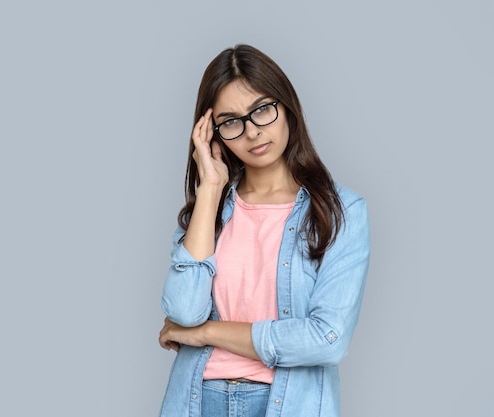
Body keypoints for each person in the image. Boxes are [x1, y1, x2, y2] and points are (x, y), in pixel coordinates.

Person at [158, 44, 370, 417]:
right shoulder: (208, 214)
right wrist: (209, 187)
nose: (252, 132)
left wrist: (205, 334)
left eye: (261, 110)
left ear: (287, 107)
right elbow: (184, 311)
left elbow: (327, 339)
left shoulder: (340, 212)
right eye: (231, 121)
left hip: (287, 404)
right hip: (197, 401)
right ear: (214, 133)